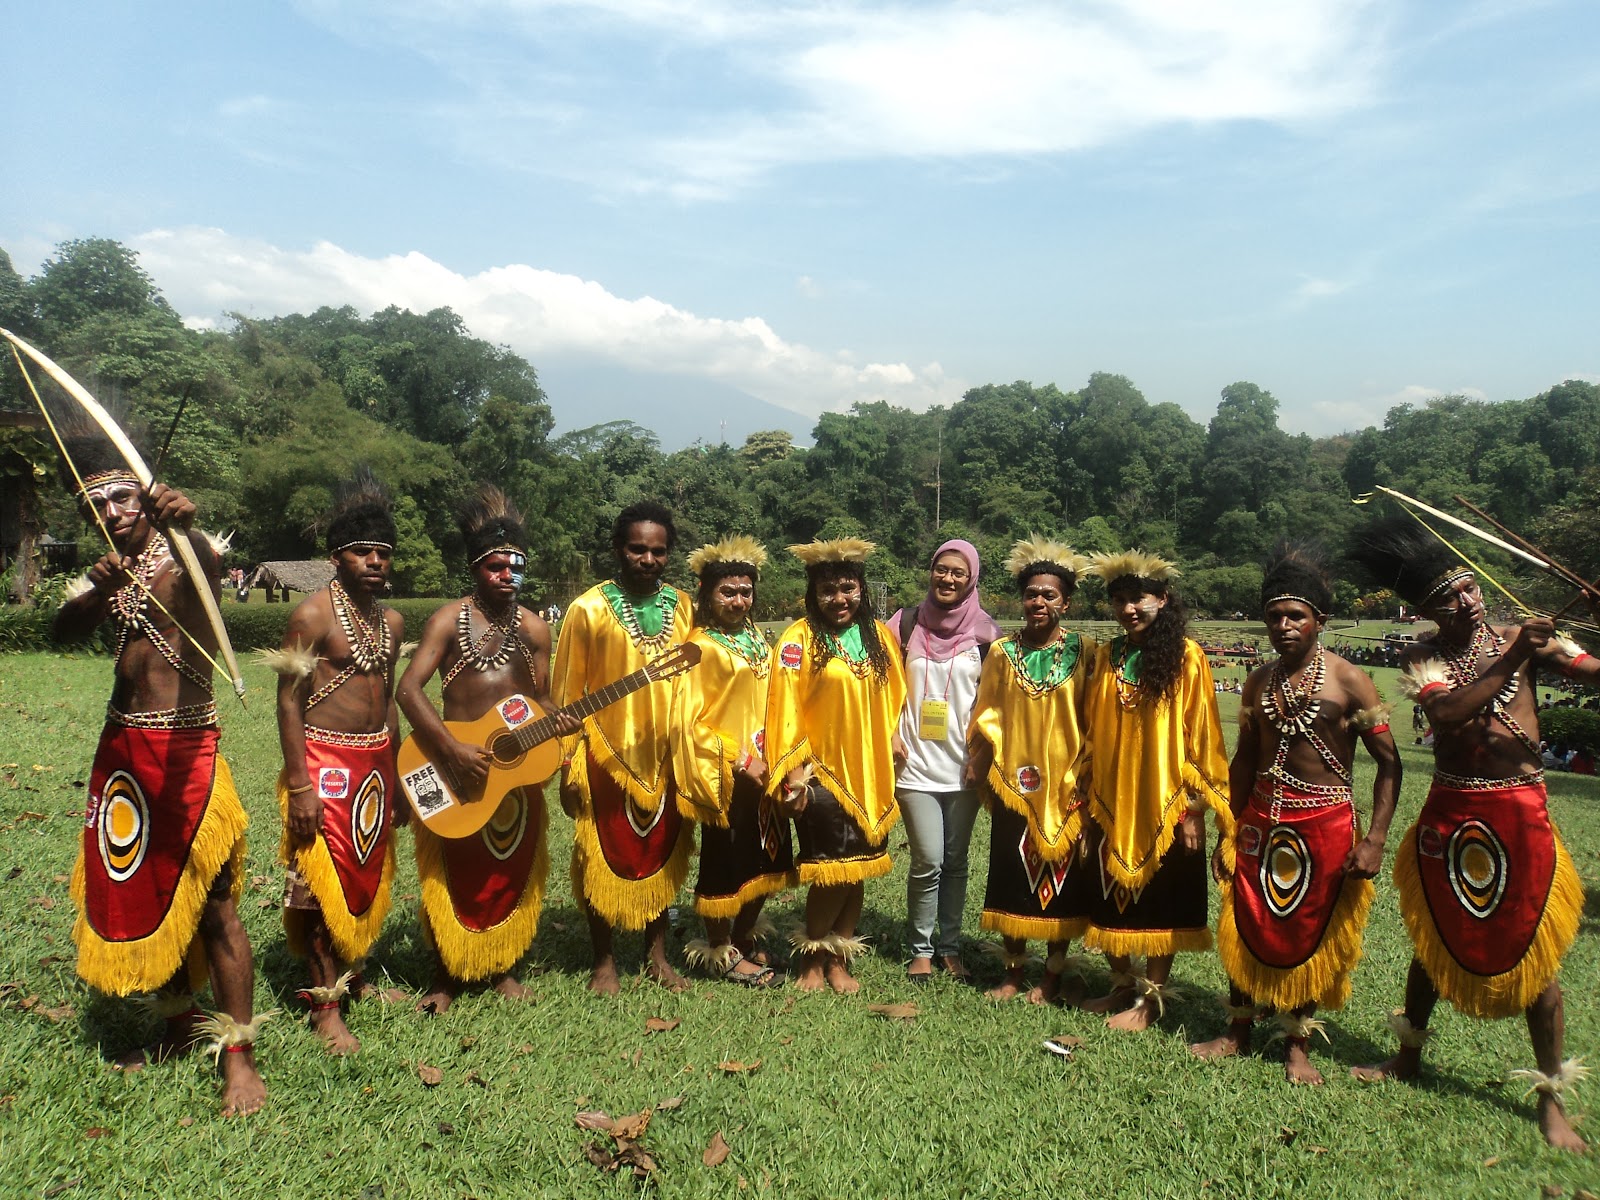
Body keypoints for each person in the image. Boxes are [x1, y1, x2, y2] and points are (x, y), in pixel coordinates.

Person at [1348, 518, 1593, 1152]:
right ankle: (1407, 1057)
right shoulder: (1421, 657)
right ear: (1426, 610)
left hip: (1519, 810)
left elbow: (1593, 669)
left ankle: (1550, 1096)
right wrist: (1514, 656)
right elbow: (1449, 713)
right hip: (1451, 809)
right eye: (1448, 598)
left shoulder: (1527, 639)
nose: (1466, 602)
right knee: (1433, 940)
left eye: (1470, 590)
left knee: (1535, 948)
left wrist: (1557, 641)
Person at [52, 439, 266, 1116]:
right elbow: (62, 631)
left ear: (144, 493)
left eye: (122, 495)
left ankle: (239, 1057)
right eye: (96, 503)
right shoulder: (108, 569)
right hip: (120, 748)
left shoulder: (186, 558)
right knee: (152, 889)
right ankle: (177, 1023)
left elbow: (205, 558)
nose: (111, 512)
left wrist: (185, 522)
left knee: (215, 905)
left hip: (186, 749)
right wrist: (101, 591)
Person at [1189, 546, 1401, 1084]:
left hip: (1325, 823)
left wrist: (1374, 838)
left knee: (1311, 929)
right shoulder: (1259, 681)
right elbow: (1242, 760)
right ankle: (1237, 1028)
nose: (1283, 626)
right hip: (1260, 819)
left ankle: (1297, 1043)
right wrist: (1227, 831)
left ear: (1320, 622)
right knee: (1244, 919)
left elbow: (1390, 764)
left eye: (1295, 617)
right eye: (1274, 617)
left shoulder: (1351, 680)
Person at [395, 487, 576, 1013]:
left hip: (511, 771)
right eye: (495, 567)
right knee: (451, 867)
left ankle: (502, 963)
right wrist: (449, 749)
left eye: (514, 567)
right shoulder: (449, 620)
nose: (506, 576)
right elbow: (408, 689)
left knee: (511, 864)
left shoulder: (536, 629)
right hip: (454, 766)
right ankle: (443, 973)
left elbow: (541, 700)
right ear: (476, 568)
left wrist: (558, 722)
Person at [267, 473, 404, 1054]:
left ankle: (355, 974)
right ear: (336, 558)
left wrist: (395, 777)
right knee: (319, 888)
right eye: (362, 552)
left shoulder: (392, 623)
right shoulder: (312, 615)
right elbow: (287, 702)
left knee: (362, 879)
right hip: (323, 763)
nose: (374, 562)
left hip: (374, 764)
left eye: (382, 554)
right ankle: (325, 1007)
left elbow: (391, 700)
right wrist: (300, 784)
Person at [1079, 550, 1231, 1031]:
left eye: (1138, 599)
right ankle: (1122, 984)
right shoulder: (1108, 656)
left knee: (1163, 900)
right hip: (1112, 797)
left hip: (1167, 801)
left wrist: (1194, 810)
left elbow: (1203, 736)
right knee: (1109, 895)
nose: (1129, 609)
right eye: (1120, 600)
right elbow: (1089, 730)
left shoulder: (1188, 657)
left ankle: (1150, 1001)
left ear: (1162, 599)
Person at [550, 501, 695, 995]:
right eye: (637, 549)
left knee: (662, 852)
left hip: (667, 755)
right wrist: (568, 763)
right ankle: (604, 961)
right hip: (604, 754)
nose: (648, 559)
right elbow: (566, 696)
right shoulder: (587, 609)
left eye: (658, 551)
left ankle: (657, 955)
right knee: (600, 854)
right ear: (618, 549)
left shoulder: (684, 604)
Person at [765, 537, 907, 993]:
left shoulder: (880, 637)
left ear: (862, 588)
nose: (839, 599)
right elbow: (784, 705)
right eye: (828, 590)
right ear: (813, 593)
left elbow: (896, 697)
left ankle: (838, 958)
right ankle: (811, 959)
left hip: (873, 771)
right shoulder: (798, 638)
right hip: (820, 774)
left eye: (848, 588)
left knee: (859, 867)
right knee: (829, 870)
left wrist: (896, 740)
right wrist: (792, 775)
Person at [966, 538, 1097, 1004]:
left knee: (1061, 879)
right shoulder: (1001, 652)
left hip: (1067, 784)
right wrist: (980, 764)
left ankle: (1052, 976)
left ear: (1067, 602)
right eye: (1032, 594)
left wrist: (1088, 774)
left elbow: (1095, 718)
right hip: (1012, 780)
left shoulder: (1087, 652)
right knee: (1011, 874)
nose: (1039, 602)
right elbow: (987, 712)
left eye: (1049, 595)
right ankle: (1012, 971)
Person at [672, 535, 795, 986]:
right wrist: (741, 759)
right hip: (726, 772)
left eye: (745, 591)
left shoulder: (758, 640)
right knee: (724, 862)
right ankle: (720, 949)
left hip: (768, 770)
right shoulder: (699, 646)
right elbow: (689, 721)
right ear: (707, 594)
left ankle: (745, 936)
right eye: (728, 591)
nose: (739, 600)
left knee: (767, 857)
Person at [890, 539, 1001, 984]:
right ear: (931, 571)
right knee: (928, 858)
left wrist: (982, 754)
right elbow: (881, 685)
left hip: (964, 766)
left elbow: (994, 703)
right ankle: (920, 947)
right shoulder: (903, 624)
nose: (948, 579)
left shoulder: (988, 635)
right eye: (941, 569)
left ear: (971, 578)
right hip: (914, 763)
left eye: (958, 572)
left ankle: (950, 946)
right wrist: (891, 731)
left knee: (955, 861)